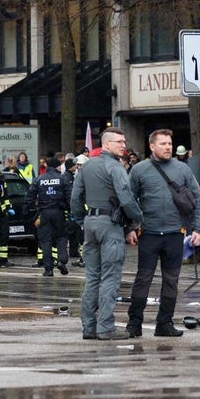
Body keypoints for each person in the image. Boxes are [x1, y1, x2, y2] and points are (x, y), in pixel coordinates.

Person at [126, 128, 200, 338]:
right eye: (163, 144)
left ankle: (164, 323)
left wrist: (197, 229)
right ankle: (134, 324)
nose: (168, 147)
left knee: (171, 281)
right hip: (148, 233)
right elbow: (129, 201)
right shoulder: (139, 170)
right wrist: (131, 228)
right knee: (143, 279)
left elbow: (196, 200)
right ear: (152, 146)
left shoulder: (183, 170)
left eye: (170, 143)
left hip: (175, 234)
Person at [71, 128, 143, 341]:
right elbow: (127, 199)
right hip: (110, 225)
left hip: (90, 223)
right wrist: (137, 220)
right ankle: (105, 327)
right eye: (119, 142)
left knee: (92, 277)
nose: (124, 145)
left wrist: (81, 220)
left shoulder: (86, 166)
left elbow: (76, 198)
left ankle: (88, 327)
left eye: (124, 141)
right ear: (106, 144)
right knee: (110, 277)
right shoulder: (116, 168)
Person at [25, 157, 71, 277]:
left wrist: (31, 214)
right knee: (61, 238)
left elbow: (29, 197)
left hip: (44, 213)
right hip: (59, 213)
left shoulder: (39, 179)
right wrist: (70, 210)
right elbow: (70, 197)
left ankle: (48, 269)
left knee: (45, 241)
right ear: (57, 166)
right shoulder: (62, 179)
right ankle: (61, 261)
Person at [62, 158, 83, 267]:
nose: (76, 167)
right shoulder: (68, 177)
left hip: (70, 209)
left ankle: (74, 252)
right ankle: (74, 252)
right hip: (71, 210)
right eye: (75, 165)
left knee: (74, 232)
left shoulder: (68, 176)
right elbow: (71, 195)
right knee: (74, 232)